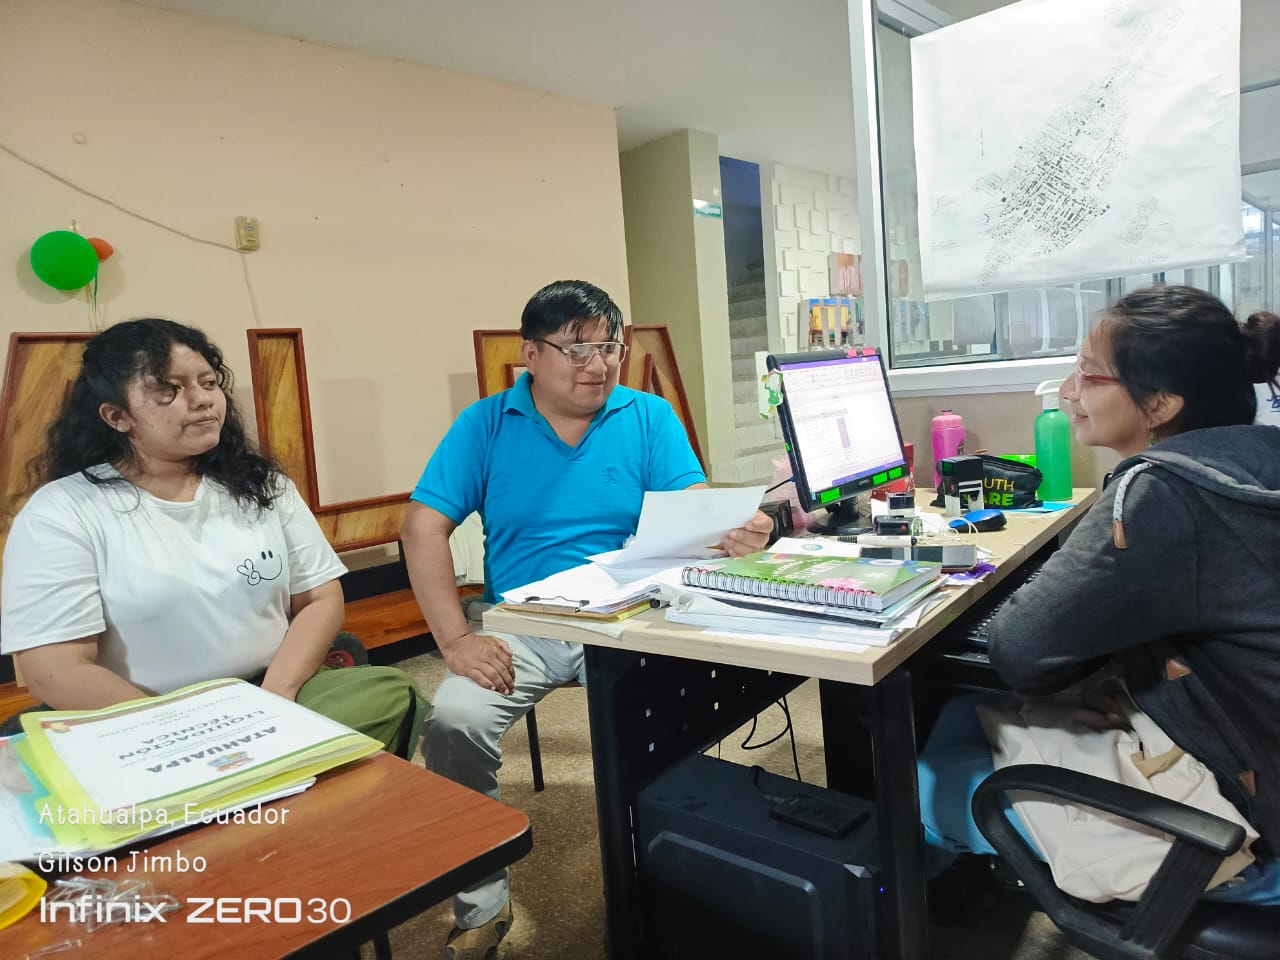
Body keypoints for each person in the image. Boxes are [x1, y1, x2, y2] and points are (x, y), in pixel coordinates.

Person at [402, 279, 772, 957]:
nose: (597, 365)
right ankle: (482, 905)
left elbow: (693, 515)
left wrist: (734, 533)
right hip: (528, 625)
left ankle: (671, 884)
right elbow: (421, 528)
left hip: (636, 611)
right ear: (531, 354)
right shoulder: (485, 425)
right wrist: (454, 639)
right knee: (454, 719)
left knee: (679, 718)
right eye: (577, 350)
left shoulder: (647, 416)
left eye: (609, 347)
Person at [918, 287, 1280, 905]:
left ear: (1161, 403)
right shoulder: (1257, 454)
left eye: (1088, 375)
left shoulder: (1160, 493)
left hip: (1245, 820)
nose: (1068, 391)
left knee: (915, 781)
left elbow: (1022, 654)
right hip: (1240, 738)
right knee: (956, 711)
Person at [0, 318, 426, 756]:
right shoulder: (63, 511)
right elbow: (54, 669)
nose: (203, 399)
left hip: (270, 690)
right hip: (143, 718)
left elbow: (320, 597)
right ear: (117, 416)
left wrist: (277, 698)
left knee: (389, 692)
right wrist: (187, 735)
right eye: (170, 388)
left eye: (208, 382)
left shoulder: (263, 485)